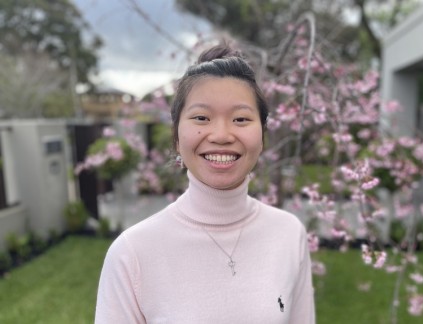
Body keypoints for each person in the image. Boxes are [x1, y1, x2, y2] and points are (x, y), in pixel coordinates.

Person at [95, 43, 315, 323]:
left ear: (262, 136)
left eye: (241, 119)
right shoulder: (133, 254)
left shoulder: (288, 233)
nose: (221, 134)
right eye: (201, 118)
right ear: (176, 136)